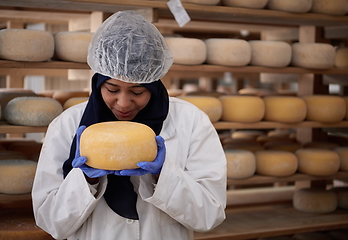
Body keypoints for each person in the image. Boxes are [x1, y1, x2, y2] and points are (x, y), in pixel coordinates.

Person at [32, 11, 227, 240]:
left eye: (137, 91)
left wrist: (163, 176)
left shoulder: (191, 122)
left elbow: (210, 215)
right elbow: (50, 222)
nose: (123, 103)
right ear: (97, 83)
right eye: (112, 90)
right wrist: (86, 180)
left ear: (154, 85)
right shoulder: (67, 126)